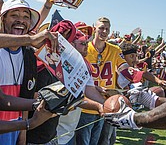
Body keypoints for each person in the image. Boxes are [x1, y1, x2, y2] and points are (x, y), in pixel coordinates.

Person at [0, 0, 55, 145]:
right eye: (14, 15)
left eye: (26, 17)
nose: (21, 20)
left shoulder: (29, 55)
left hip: (14, 133)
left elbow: (24, 95)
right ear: (3, 19)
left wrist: (23, 135)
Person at [76, 17, 131, 145]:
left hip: (106, 102)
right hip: (86, 104)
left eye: (107, 29)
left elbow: (124, 68)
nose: (104, 31)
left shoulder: (115, 49)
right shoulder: (84, 47)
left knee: (97, 141)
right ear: (94, 28)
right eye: (101, 28)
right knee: (83, 141)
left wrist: (133, 77)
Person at [56, 29, 106, 145]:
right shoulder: (58, 63)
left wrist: (107, 104)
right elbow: (71, 97)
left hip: (70, 130)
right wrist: (100, 106)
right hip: (54, 132)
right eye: (82, 43)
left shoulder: (85, 65)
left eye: (87, 43)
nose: (86, 47)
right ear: (71, 44)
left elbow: (90, 90)